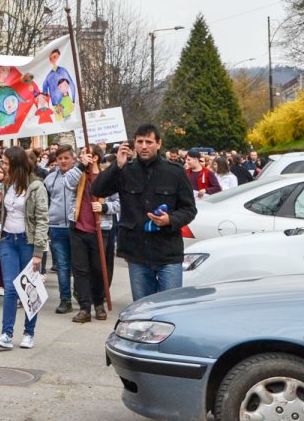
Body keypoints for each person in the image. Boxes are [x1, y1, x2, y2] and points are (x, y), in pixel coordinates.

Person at [92, 123, 197, 301]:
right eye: (140, 141)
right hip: (137, 251)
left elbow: (189, 209)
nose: (144, 146)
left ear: (159, 144)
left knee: (169, 306)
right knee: (142, 307)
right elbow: (98, 190)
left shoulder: (175, 172)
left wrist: (170, 219)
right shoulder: (125, 170)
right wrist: (116, 166)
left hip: (167, 251)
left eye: (149, 141)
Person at [0, 146, 49, 349]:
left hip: (27, 241)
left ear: (16, 164)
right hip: (7, 239)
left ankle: (29, 333)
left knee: (29, 288)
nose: (2, 166)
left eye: (6, 163)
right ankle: (6, 334)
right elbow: (7, 211)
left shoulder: (36, 187)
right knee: (10, 288)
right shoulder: (7, 184)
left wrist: (39, 252)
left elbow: (42, 219)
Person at [69, 148, 108, 324]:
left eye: (87, 153)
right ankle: (84, 308)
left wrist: (105, 208)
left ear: (96, 157)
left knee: (98, 269)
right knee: (80, 269)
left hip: (100, 230)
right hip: (78, 228)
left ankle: (99, 303)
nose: (83, 155)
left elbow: (118, 202)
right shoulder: (78, 174)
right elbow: (67, 183)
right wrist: (80, 166)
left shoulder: (107, 177)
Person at [42, 144, 79, 314]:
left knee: (79, 264)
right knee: (63, 266)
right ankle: (65, 299)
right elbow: (45, 202)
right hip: (56, 227)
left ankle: (80, 293)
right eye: (60, 158)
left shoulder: (80, 175)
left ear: (73, 158)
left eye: (66, 158)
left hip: (77, 225)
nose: (63, 161)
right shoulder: (49, 179)